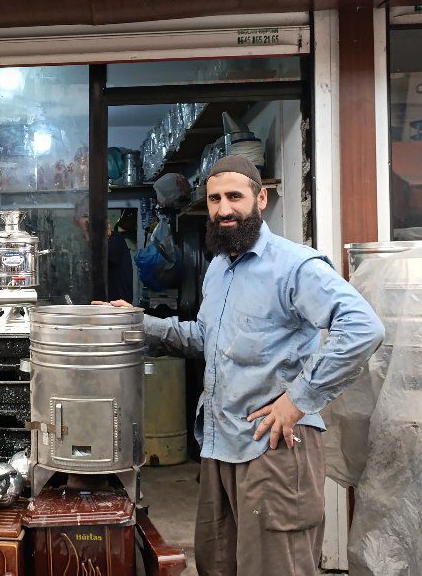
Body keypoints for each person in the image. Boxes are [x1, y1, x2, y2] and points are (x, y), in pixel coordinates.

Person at [98, 155, 384, 576]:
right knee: (218, 564)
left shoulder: (294, 265)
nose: (223, 208)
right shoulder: (219, 267)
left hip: (273, 446)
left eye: (235, 196)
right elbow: (205, 339)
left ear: (261, 199)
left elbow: (362, 327)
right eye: (214, 199)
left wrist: (298, 400)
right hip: (220, 444)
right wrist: (137, 320)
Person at [73, 198, 134, 302]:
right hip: (94, 306)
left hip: (117, 308)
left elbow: (107, 257)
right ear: (76, 221)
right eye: (85, 216)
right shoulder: (79, 244)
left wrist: (91, 235)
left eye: (92, 216)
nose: (89, 220)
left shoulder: (115, 239)